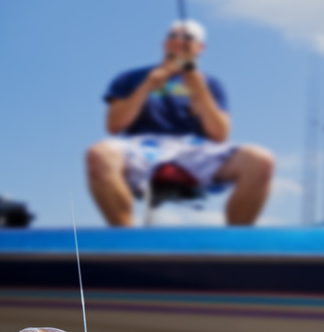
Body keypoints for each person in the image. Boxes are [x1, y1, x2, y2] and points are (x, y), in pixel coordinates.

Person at [86, 19, 274, 226]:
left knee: (260, 161)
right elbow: (114, 126)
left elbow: (220, 135)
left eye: (188, 37)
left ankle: (236, 241)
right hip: (141, 147)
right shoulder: (130, 77)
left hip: (197, 149)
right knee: (99, 154)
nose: (179, 41)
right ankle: (124, 238)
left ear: (200, 47)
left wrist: (200, 90)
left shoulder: (211, 83)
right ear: (164, 43)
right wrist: (147, 85)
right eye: (173, 36)